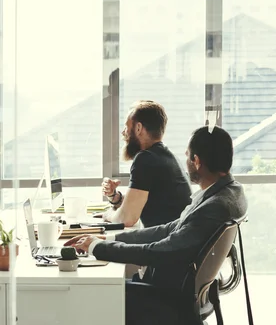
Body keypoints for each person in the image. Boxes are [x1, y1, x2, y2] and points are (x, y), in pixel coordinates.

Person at [65, 126, 247, 325]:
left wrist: (97, 248)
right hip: (184, 292)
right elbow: (170, 229)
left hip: (169, 298)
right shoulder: (229, 192)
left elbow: (161, 252)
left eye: (187, 157)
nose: (185, 163)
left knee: (89, 291)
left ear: (196, 161)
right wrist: (108, 239)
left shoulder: (215, 206)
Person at [101, 100, 192, 227]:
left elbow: (126, 219)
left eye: (126, 127)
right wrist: (114, 196)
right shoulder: (165, 157)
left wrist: (108, 215)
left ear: (138, 128)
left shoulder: (145, 159)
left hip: (165, 243)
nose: (123, 132)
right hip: (173, 238)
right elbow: (137, 204)